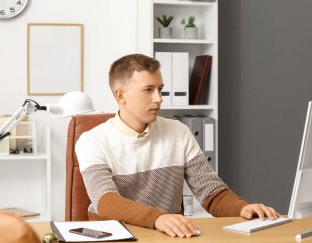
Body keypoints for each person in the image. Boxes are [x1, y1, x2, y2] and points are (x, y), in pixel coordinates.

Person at [76, 54, 280, 238]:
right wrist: (158, 218)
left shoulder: (178, 131)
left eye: (160, 89)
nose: (159, 99)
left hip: (169, 237)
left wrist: (241, 208)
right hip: (118, 237)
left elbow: (210, 191)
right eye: (148, 90)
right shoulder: (92, 140)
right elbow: (106, 201)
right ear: (121, 96)